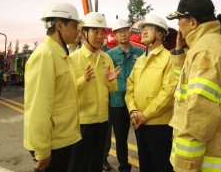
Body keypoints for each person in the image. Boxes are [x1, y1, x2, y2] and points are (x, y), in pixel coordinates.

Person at [167, 0, 221, 172]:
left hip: (208, 161)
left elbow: (199, 113)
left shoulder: (205, 52)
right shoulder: (206, 45)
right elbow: (186, 86)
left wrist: (185, 165)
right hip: (216, 155)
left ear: (193, 22)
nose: (178, 26)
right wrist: (180, 51)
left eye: (180, 20)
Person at [23, 2, 82, 172]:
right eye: (74, 26)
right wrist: (41, 150)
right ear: (59, 26)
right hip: (52, 144)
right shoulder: (45, 56)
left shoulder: (61, 55)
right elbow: (38, 108)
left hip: (62, 140)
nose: (78, 31)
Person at [68, 12, 121, 172]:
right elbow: (67, 92)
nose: (100, 36)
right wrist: (83, 79)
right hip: (82, 122)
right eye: (95, 31)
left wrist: (111, 82)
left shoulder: (106, 59)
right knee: (80, 165)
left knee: (97, 164)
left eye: (103, 32)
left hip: (103, 120)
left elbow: (113, 89)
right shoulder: (73, 59)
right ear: (84, 33)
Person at [125, 15, 176, 172]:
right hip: (139, 123)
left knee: (162, 166)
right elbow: (130, 87)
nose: (144, 32)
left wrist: (145, 115)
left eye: (148, 29)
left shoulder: (169, 58)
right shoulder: (140, 60)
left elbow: (168, 93)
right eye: (143, 29)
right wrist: (133, 110)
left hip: (159, 125)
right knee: (145, 167)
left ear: (160, 34)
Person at [101, 19, 144, 172]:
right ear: (116, 35)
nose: (123, 33)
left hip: (136, 102)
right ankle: (124, 167)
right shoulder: (109, 55)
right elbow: (105, 78)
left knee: (141, 136)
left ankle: (145, 166)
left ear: (129, 32)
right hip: (117, 103)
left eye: (125, 30)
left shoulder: (140, 53)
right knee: (121, 138)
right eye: (119, 31)